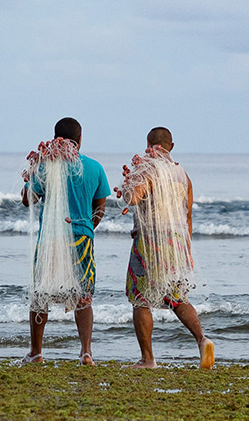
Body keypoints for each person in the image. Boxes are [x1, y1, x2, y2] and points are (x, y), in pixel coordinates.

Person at [118, 127, 214, 369]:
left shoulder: (148, 169)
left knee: (140, 299)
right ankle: (202, 341)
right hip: (177, 244)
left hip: (150, 242)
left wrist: (129, 182)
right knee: (177, 297)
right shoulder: (183, 174)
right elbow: (188, 216)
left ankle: (148, 358)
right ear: (171, 147)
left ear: (150, 145)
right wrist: (187, 250)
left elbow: (132, 198)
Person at [20, 117, 110, 366]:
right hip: (82, 238)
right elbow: (100, 207)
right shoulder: (95, 167)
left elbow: (28, 200)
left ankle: (36, 352)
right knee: (83, 297)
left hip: (50, 238)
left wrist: (30, 173)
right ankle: (86, 352)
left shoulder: (45, 166)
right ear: (80, 140)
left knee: (41, 294)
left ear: (55, 137)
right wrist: (88, 227)